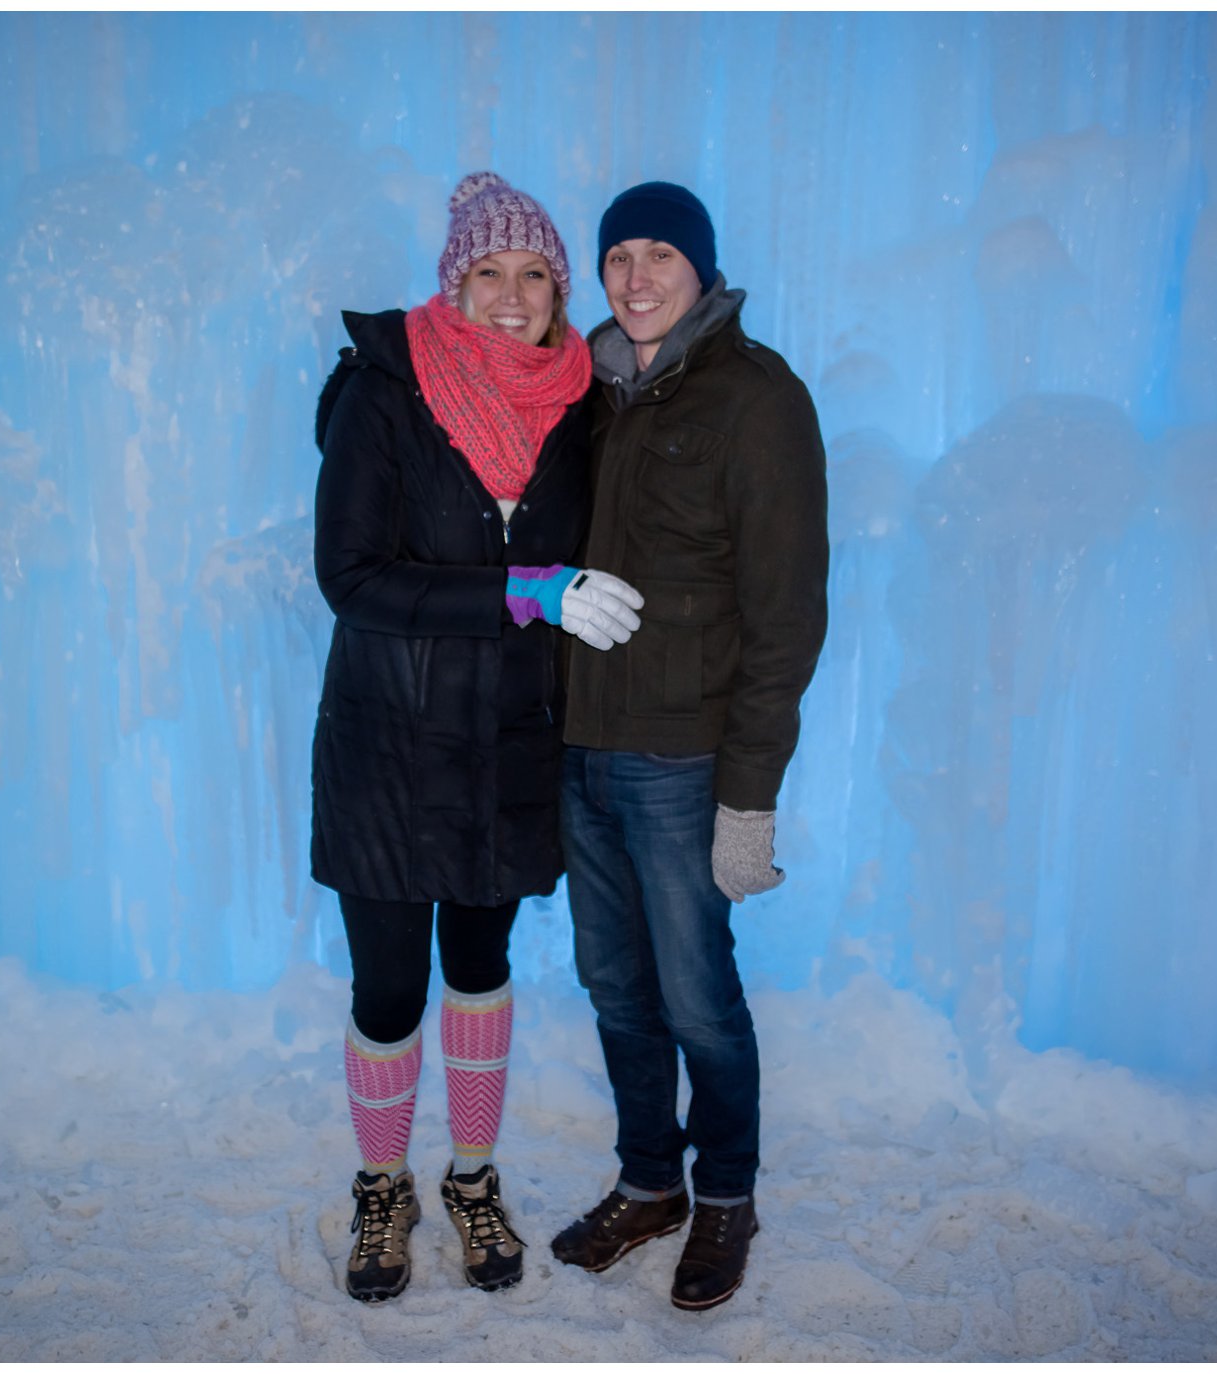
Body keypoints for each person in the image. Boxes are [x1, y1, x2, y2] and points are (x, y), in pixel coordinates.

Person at [309, 171, 646, 1304]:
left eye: (534, 274)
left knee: (482, 967)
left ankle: (468, 1177)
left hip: (508, 747)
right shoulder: (382, 390)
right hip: (387, 751)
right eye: (488, 273)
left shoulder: (581, 403)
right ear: (454, 284)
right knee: (389, 985)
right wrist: (520, 591)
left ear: (559, 289)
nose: (512, 296)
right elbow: (349, 579)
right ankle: (378, 1185)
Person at [548, 181, 830, 1311]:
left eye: (661, 253)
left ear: (701, 272)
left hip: (679, 766)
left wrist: (747, 796)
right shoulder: (589, 393)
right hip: (582, 752)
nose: (635, 275)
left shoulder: (757, 400)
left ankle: (724, 1198)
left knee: (697, 998)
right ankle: (648, 1181)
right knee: (614, 988)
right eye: (618, 253)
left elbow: (786, 616)